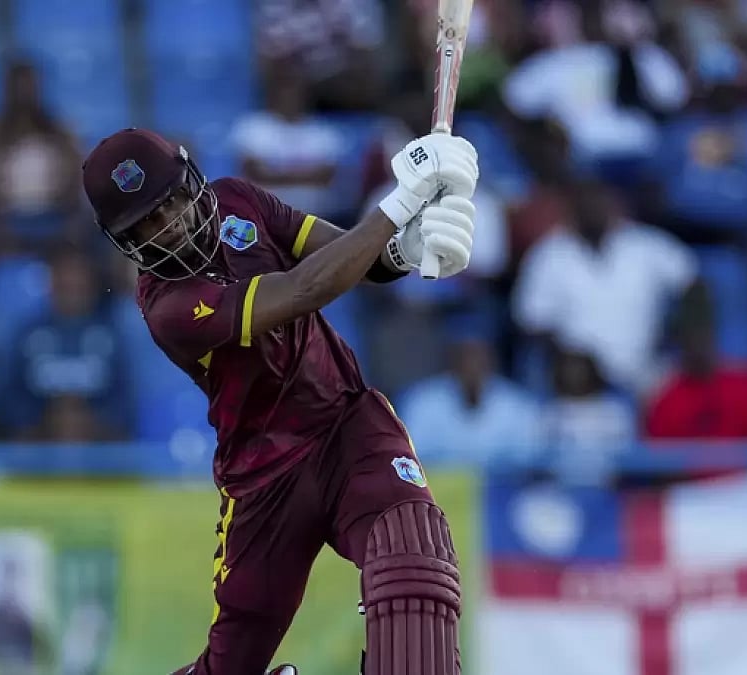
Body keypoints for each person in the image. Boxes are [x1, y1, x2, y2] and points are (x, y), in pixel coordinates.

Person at [81, 128, 479, 675]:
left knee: (414, 562)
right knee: (232, 666)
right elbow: (302, 291)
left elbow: (356, 258)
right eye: (145, 223)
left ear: (191, 180)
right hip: (264, 477)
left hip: (347, 429)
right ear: (123, 241)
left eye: (170, 201)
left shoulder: (239, 200)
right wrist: (401, 201)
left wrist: (404, 246)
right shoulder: (168, 307)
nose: (167, 224)